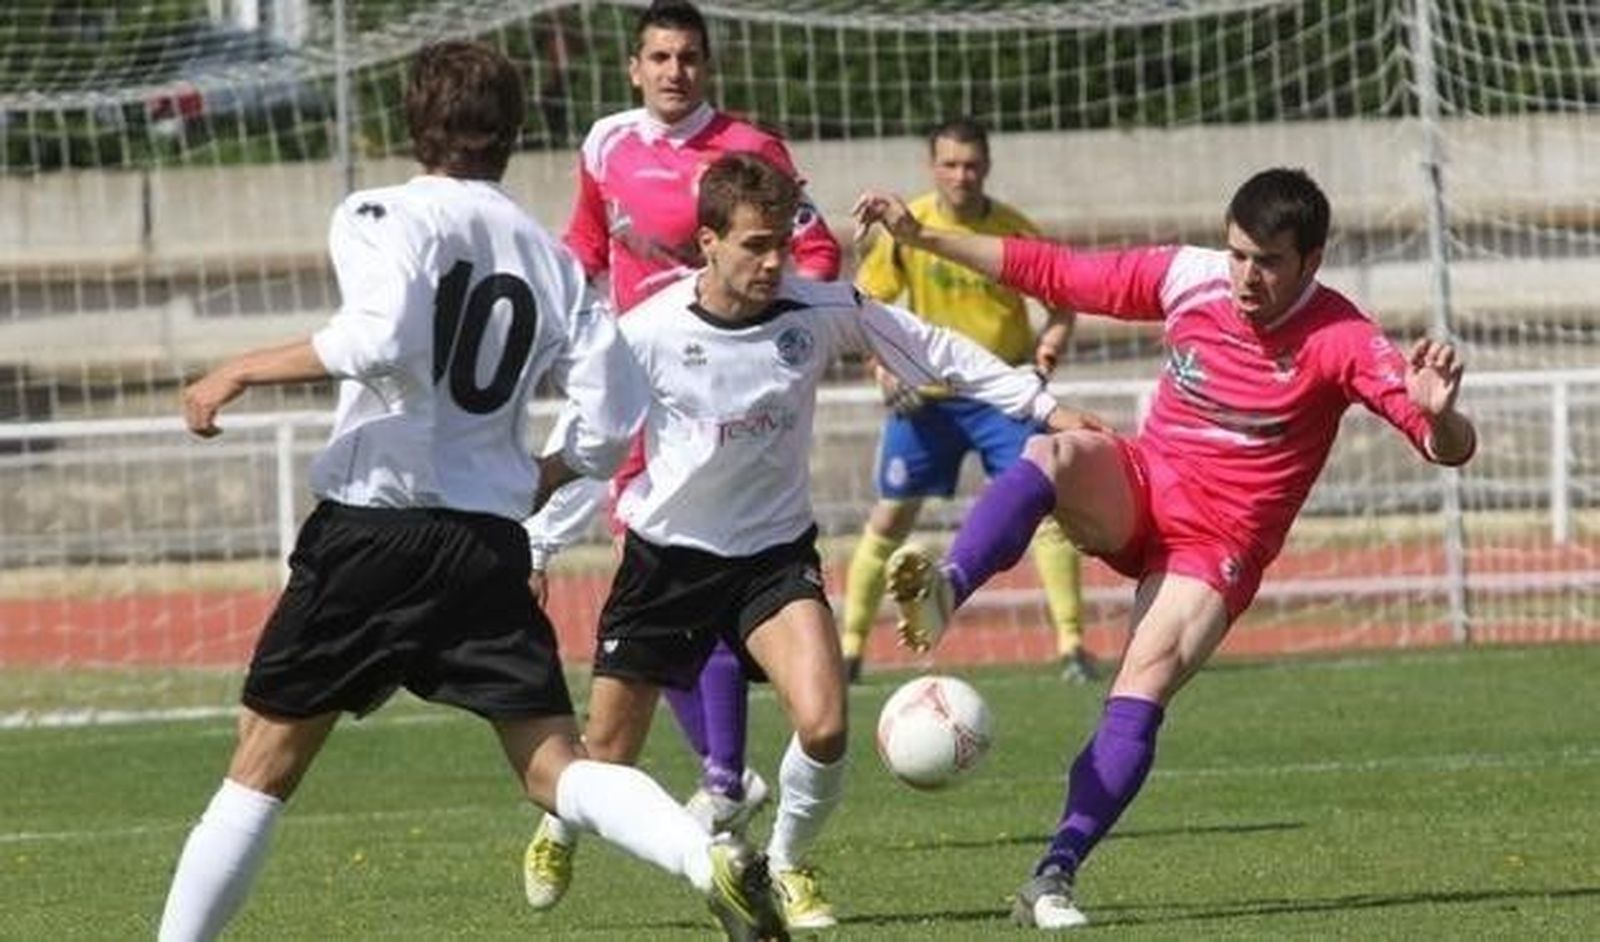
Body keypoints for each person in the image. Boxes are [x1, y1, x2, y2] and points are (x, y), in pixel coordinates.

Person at [157, 42, 787, 942]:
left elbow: (379, 338)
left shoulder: (382, 213)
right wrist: (549, 473)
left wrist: (239, 369)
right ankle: (703, 857)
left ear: (415, 124)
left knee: (261, 765)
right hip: (484, 542)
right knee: (553, 766)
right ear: (512, 134)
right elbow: (613, 413)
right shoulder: (551, 258)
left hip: (375, 531)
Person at [854, 167, 1476, 930]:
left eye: (1269, 262)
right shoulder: (1192, 277)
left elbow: (1445, 447)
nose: (1246, 276)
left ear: (1311, 261)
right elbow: (1055, 271)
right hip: (1144, 486)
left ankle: (1053, 874)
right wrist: (922, 239)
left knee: (1141, 682)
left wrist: (1441, 416)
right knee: (1057, 452)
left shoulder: (1342, 338)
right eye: (1238, 254)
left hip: (1218, 546)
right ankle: (948, 585)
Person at [528, 151, 1095, 931]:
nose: (772, 262)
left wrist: (1042, 405)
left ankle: (785, 864)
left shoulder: (818, 310)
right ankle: (560, 824)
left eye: (782, 245)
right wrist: (536, 544)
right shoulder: (646, 335)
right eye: (754, 245)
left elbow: (936, 350)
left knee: (825, 727)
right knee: (604, 753)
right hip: (667, 562)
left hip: (773, 559)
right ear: (707, 243)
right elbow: (586, 444)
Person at [521, 0, 841, 912]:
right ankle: (587, 810)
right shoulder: (605, 144)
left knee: (698, 567)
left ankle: (726, 787)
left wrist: (788, 328)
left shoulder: (754, 152)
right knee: (664, 575)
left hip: (726, 394)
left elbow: (814, 246)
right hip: (644, 383)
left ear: (709, 66)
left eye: (689, 57)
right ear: (634, 67)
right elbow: (583, 244)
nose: (674, 72)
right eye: (659, 57)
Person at [840, 116, 1092, 685]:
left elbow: (1062, 305)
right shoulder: (907, 227)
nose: (962, 175)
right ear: (933, 168)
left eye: (972, 164)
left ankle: (1072, 645)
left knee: (1045, 506)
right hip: (927, 398)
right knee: (891, 515)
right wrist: (881, 369)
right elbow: (865, 310)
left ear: (988, 165)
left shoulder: (1013, 230)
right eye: (950, 164)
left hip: (1000, 395)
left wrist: (1043, 362)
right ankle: (851, 648)